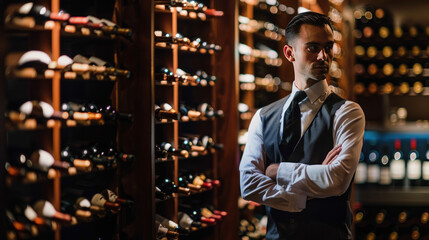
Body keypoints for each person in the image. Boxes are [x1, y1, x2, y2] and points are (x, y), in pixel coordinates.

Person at [239, 11, 365, 240]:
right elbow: (248, 185)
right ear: (290, 53)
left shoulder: (348, 112)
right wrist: (306, 195)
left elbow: (337, 180)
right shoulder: (263, 116)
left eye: (328, 47)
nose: (323, 56)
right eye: (313, 47)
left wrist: (276, 171)